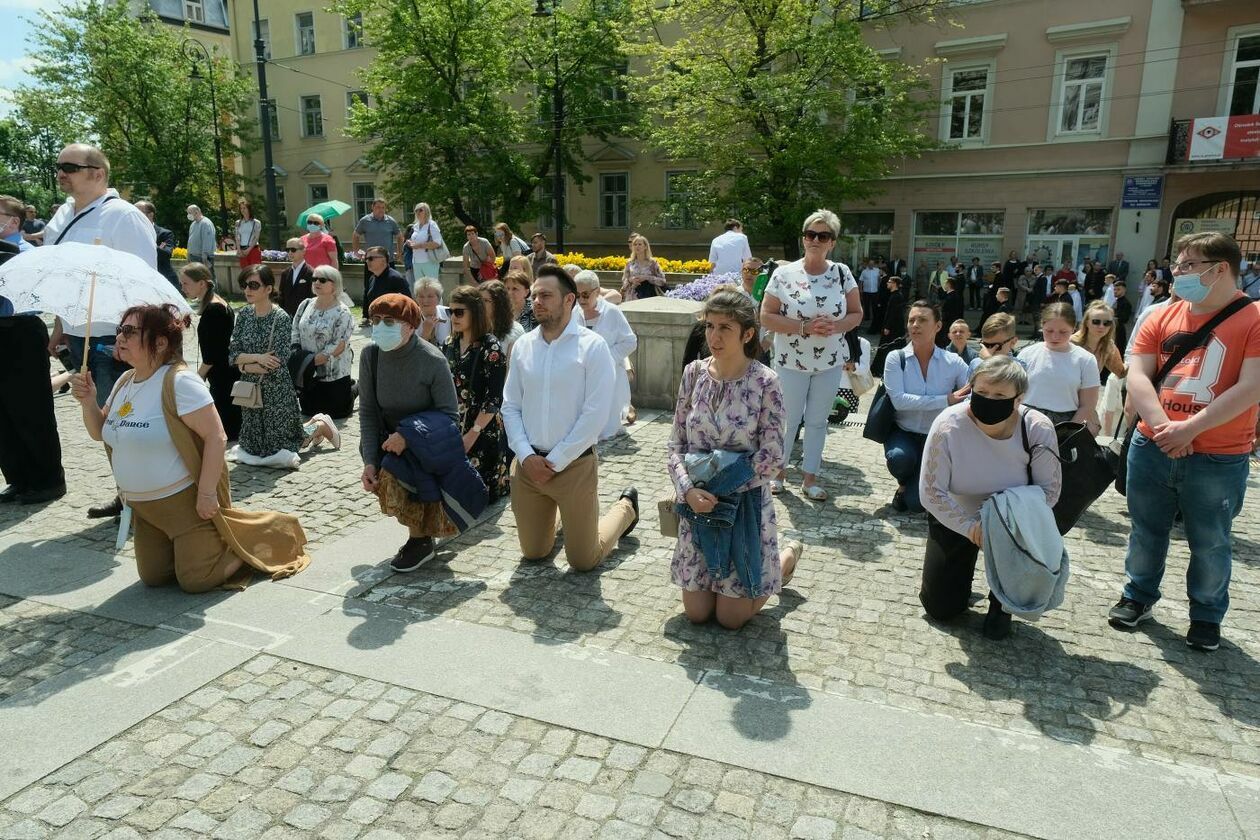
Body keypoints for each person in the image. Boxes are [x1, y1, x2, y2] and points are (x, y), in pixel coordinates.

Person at [70, 304, 310, 592]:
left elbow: (216, 437)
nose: (120, 337)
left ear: (160, 342)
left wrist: (207, 494)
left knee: (196, 580)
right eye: (120, 329)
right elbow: (100, 432)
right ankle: (197, 548)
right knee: (154, 577)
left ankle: (256, 540)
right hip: (145, 513)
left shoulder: (180, 382)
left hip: (184, 507)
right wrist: (88, 402)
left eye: (130, 331)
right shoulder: (125, 381)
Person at [1108, 233, 1260, 652]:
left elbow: (1251, 386)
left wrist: (1190, 429)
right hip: (1153, 445)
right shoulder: (1161, 315)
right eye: (1178, 263)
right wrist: (1163, 428)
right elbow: (1137, 376)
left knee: (1211, 541)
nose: (1178, 272)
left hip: (1218, 455)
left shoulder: (1254, 318)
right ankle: (1137, 596)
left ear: (1220, 269)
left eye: (1189, 265)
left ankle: (1206, 616)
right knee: (1145, 530)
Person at [668, 287, 802, 629]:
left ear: (747, 333)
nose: (714, 335)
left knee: (731, 620)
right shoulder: (693, 374)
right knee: (696, 615)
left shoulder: (765, 381)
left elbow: (772, 456)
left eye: (724, 328)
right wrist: (688, 491)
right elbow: (676, 444)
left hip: (742, 505)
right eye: (710, 326)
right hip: (698, 504)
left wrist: (720, 485)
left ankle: (783, 561)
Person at [43, 143, 156, 520]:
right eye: (59, 166)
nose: (62, 173)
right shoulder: (61, 215)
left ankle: (148, 496)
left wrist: (132, 340)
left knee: (128, 421)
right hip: (79, 333)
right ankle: (127, 492)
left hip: (114, 335)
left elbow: (144, 281)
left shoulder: (123, 217)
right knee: (104, 424)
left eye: (71, 167)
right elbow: (62, 277)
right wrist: (61, 325)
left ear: (98, 173)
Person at [501, 265, 639, 571]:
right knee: (534, 553)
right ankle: (562, 514)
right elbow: (510, 406)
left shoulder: (592, 347)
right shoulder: (523, 346)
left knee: (583, 560)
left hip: (574, 466)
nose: (536, 301)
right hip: (528, 468)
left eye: (546, 295)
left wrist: (556, 460)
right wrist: (526, 456)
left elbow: (596, 413)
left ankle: (626, 508)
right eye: (534, 295)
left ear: (569, 301)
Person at [919, 356, 1062, 638]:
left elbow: (1050, 490)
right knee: (941, 609)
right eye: (981, 392)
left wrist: (1003, 529)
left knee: (998, 628)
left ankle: (1002, 601)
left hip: (1015, 520)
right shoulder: (948, 424)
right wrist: (973, 528)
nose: (988, 399)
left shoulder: (1037, 427)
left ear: (1019, 398)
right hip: (957, 514)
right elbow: (930, 491)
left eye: (1000, 395)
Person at [760, 209, 862, 500]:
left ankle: (809, 479)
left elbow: (857, 314)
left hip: (828, 362)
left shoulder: (842, 273)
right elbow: (766, 316)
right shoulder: (784, 273)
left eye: (823, 235)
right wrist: (804, 326)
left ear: (832, 242)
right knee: (787, 419)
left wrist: (836, 326)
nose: (816, 239)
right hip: (790, 361)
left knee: (818, 421)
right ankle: (778, 474)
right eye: (810, 234)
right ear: (803, 239)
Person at [359, 293, 462, 571]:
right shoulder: (371, 355)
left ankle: (420, 540)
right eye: (376, 320)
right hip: (388, 441)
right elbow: (368, 411)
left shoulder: (431, 360)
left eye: (389, 321)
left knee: (398, 475)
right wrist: (369, 459)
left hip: (427, 441)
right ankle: (421, 532)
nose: (380, 326)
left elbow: (450, 416)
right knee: (386, 472)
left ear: (409, 325)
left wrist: (410, 436)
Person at [228, 265, 336, 467]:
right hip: (251, 390)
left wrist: (244, 364)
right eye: (244, 285)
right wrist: (257, 358)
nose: (247, 290)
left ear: (268, 289)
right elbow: (233, 354)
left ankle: (319, 426)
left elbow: (276, 363)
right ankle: (315, 426)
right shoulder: (243, 315)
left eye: (253, 285)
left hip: (276, 390)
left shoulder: (280, 318)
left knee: (287, 442)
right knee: (253, 446)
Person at [883, 301, 971, 513]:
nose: (915, 325)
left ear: (938, 326)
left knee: (916, 505)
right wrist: (945, 400)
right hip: (903, 432)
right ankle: (904, 484)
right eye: (911, 320)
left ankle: (918, 487)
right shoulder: (896, 358)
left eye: (922, 320)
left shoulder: (954, 362)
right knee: (900, 459)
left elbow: (972, 394)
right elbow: (899, 401)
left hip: (937, 437)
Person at [0, 228, 64, 505]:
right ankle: (19, 477)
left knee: (31, 409)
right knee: (3, 414)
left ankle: (49, 479)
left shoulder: (21, 253)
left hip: (20, 332)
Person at [443, 285, 509, 502]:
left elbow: (494, 398)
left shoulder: (491, 348)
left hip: (483, 428)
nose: (454, 317)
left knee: (481, 496)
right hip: (454, 425)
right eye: (449, 311)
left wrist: (473, 432)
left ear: (476, 312)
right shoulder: (449, 343)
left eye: (459, 311)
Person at [180, 262, 241, 441]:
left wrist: (199, 375)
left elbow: (213, 351)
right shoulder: (215, 303)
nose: (183, 288)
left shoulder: (214, 308)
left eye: (186, 283)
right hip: (223, 370)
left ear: (202, 283)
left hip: (222, 372)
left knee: (226, 423)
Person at [575, 270, 638, 439]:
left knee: (607, 428)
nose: (581, 300)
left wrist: (605, 356)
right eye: (577, 295)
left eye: (586, 295)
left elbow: (630, 342)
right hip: (582, 374)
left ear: (596, 291)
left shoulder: (612, 312)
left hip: (608, 374)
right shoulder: (574, 312)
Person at [1019, 302, 1100, 427]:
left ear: (1073, 329)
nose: (1055, 336)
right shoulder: (1027, 354)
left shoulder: (1086, 360)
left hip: (1065, 422)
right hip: (1026, 420)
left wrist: (1068, 433)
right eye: (1049, 330)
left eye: (1063, 332)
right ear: (1042, 326)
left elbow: (1087, 405)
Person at [292, 265, 356, 420]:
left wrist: (317, 359)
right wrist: (297, 353)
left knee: (336, 414)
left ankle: (355, 388)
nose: (316, 283)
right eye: (314, 279)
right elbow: (295, 329)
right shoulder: (306, 304)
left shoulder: (343, 312)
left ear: (334, 284)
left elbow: (339, 344)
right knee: (308, 411)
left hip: (332, 371)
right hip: (308, 370)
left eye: (322, 280)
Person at [352, 198, 403, 289]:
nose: (381, 210)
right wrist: (356, 251)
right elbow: (356, 235)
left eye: (383, 207)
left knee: (390, 288)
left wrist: (399, 252)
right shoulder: (365, 221)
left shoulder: (390, 221)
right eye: (378, 207)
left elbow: (399, 236)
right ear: (372, 207)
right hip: (371, 261)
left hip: (387, 261)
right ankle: (369, 304)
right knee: (369, 288)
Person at [132, 200, 179, 290]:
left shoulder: (165, 233)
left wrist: (146, 241)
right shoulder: (131, 233)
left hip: (163, 281)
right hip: (139, 281)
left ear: (150, 215)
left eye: (138, 213)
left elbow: (165, 254)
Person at [478, 279, 525, 358]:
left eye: (485, 300)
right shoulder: (474, 328)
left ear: (498, 304)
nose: (480, 305)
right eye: (479, 300)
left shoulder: (514, 331)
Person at [362, 245, 410, 315]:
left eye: (371, 258)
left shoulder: (396, 279)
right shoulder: (372, 278)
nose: (367, 261)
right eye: (366, 259)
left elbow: (407, 304)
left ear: (383, 260)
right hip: (377, 320)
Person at [620, 234, 667, 301]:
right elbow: (624, 280)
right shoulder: (630, 263)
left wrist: (646, 278)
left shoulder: (653, 263)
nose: (637, 246)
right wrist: (631, 280)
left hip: (650, 295)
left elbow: (662, 281)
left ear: (645, 246)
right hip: (632, 296)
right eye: (635, 244)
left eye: (640, 244)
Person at [278, 238, 316, 317]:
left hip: (304, 316)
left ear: (303, 251)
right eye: (287, 250)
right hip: (287, 316)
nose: (290, 253)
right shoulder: (285, 273)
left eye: (293, 250)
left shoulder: (311, 273)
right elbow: (281, 296)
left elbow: (313, 297)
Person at [406, 203, 444, 279]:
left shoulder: (432, 225)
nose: (418, 212)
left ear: (427, 212)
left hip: (429, 261)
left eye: (420, 210)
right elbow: (414, 240)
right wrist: (410, 243)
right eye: (416, 210)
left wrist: (419, 246)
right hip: (416, 261)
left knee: (432, 287)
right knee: (419, 287)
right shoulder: (415, 226)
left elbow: (437, 243)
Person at [414, 277, 452, 347]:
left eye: (430, 296)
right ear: (416, 299)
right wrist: (425, 333)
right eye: (421, 297)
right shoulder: (411, 318)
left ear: (439, 298)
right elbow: (413, 352)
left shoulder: (449, 313)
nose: (425, 301)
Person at [236, 198, 263, 268]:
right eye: (241, 208)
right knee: (245, 273)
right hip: (242, 250)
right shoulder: (238, 223)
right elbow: (237, 237)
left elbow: (256, 238)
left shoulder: (256, 222)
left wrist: (248, 250)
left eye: (244, 208)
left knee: (255, 271)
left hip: (253, 250)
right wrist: (239, 250)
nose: (242, 210)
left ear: (249, 209)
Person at [859, 258, 882, 329]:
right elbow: (860, 281)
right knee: (866, 305)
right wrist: (860, 289)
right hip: (866, 291)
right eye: (870, 264)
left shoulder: (877, 271)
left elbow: (880, 279)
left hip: (875, 291)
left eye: (872, 264)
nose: (871, 265)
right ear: (868, 264)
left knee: (874, 305)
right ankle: (867, 317)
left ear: (874, 264)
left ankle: (875, 317)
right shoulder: (864, 272)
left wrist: (879, 287)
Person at [940, 278, 964, 343]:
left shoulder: (952, 297)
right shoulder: (952, 295)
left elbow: (950, 310)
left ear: (949, 285)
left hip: (949, 322)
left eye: (945, 283)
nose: (944, 285)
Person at [882, 276, 906, 341]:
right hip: (894, 326)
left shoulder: (896, 296)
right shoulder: (894, 295)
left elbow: (893, 313)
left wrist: (887, 327)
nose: (887, 283)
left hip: (894, 328)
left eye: (889, 282)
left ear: (894, 284)